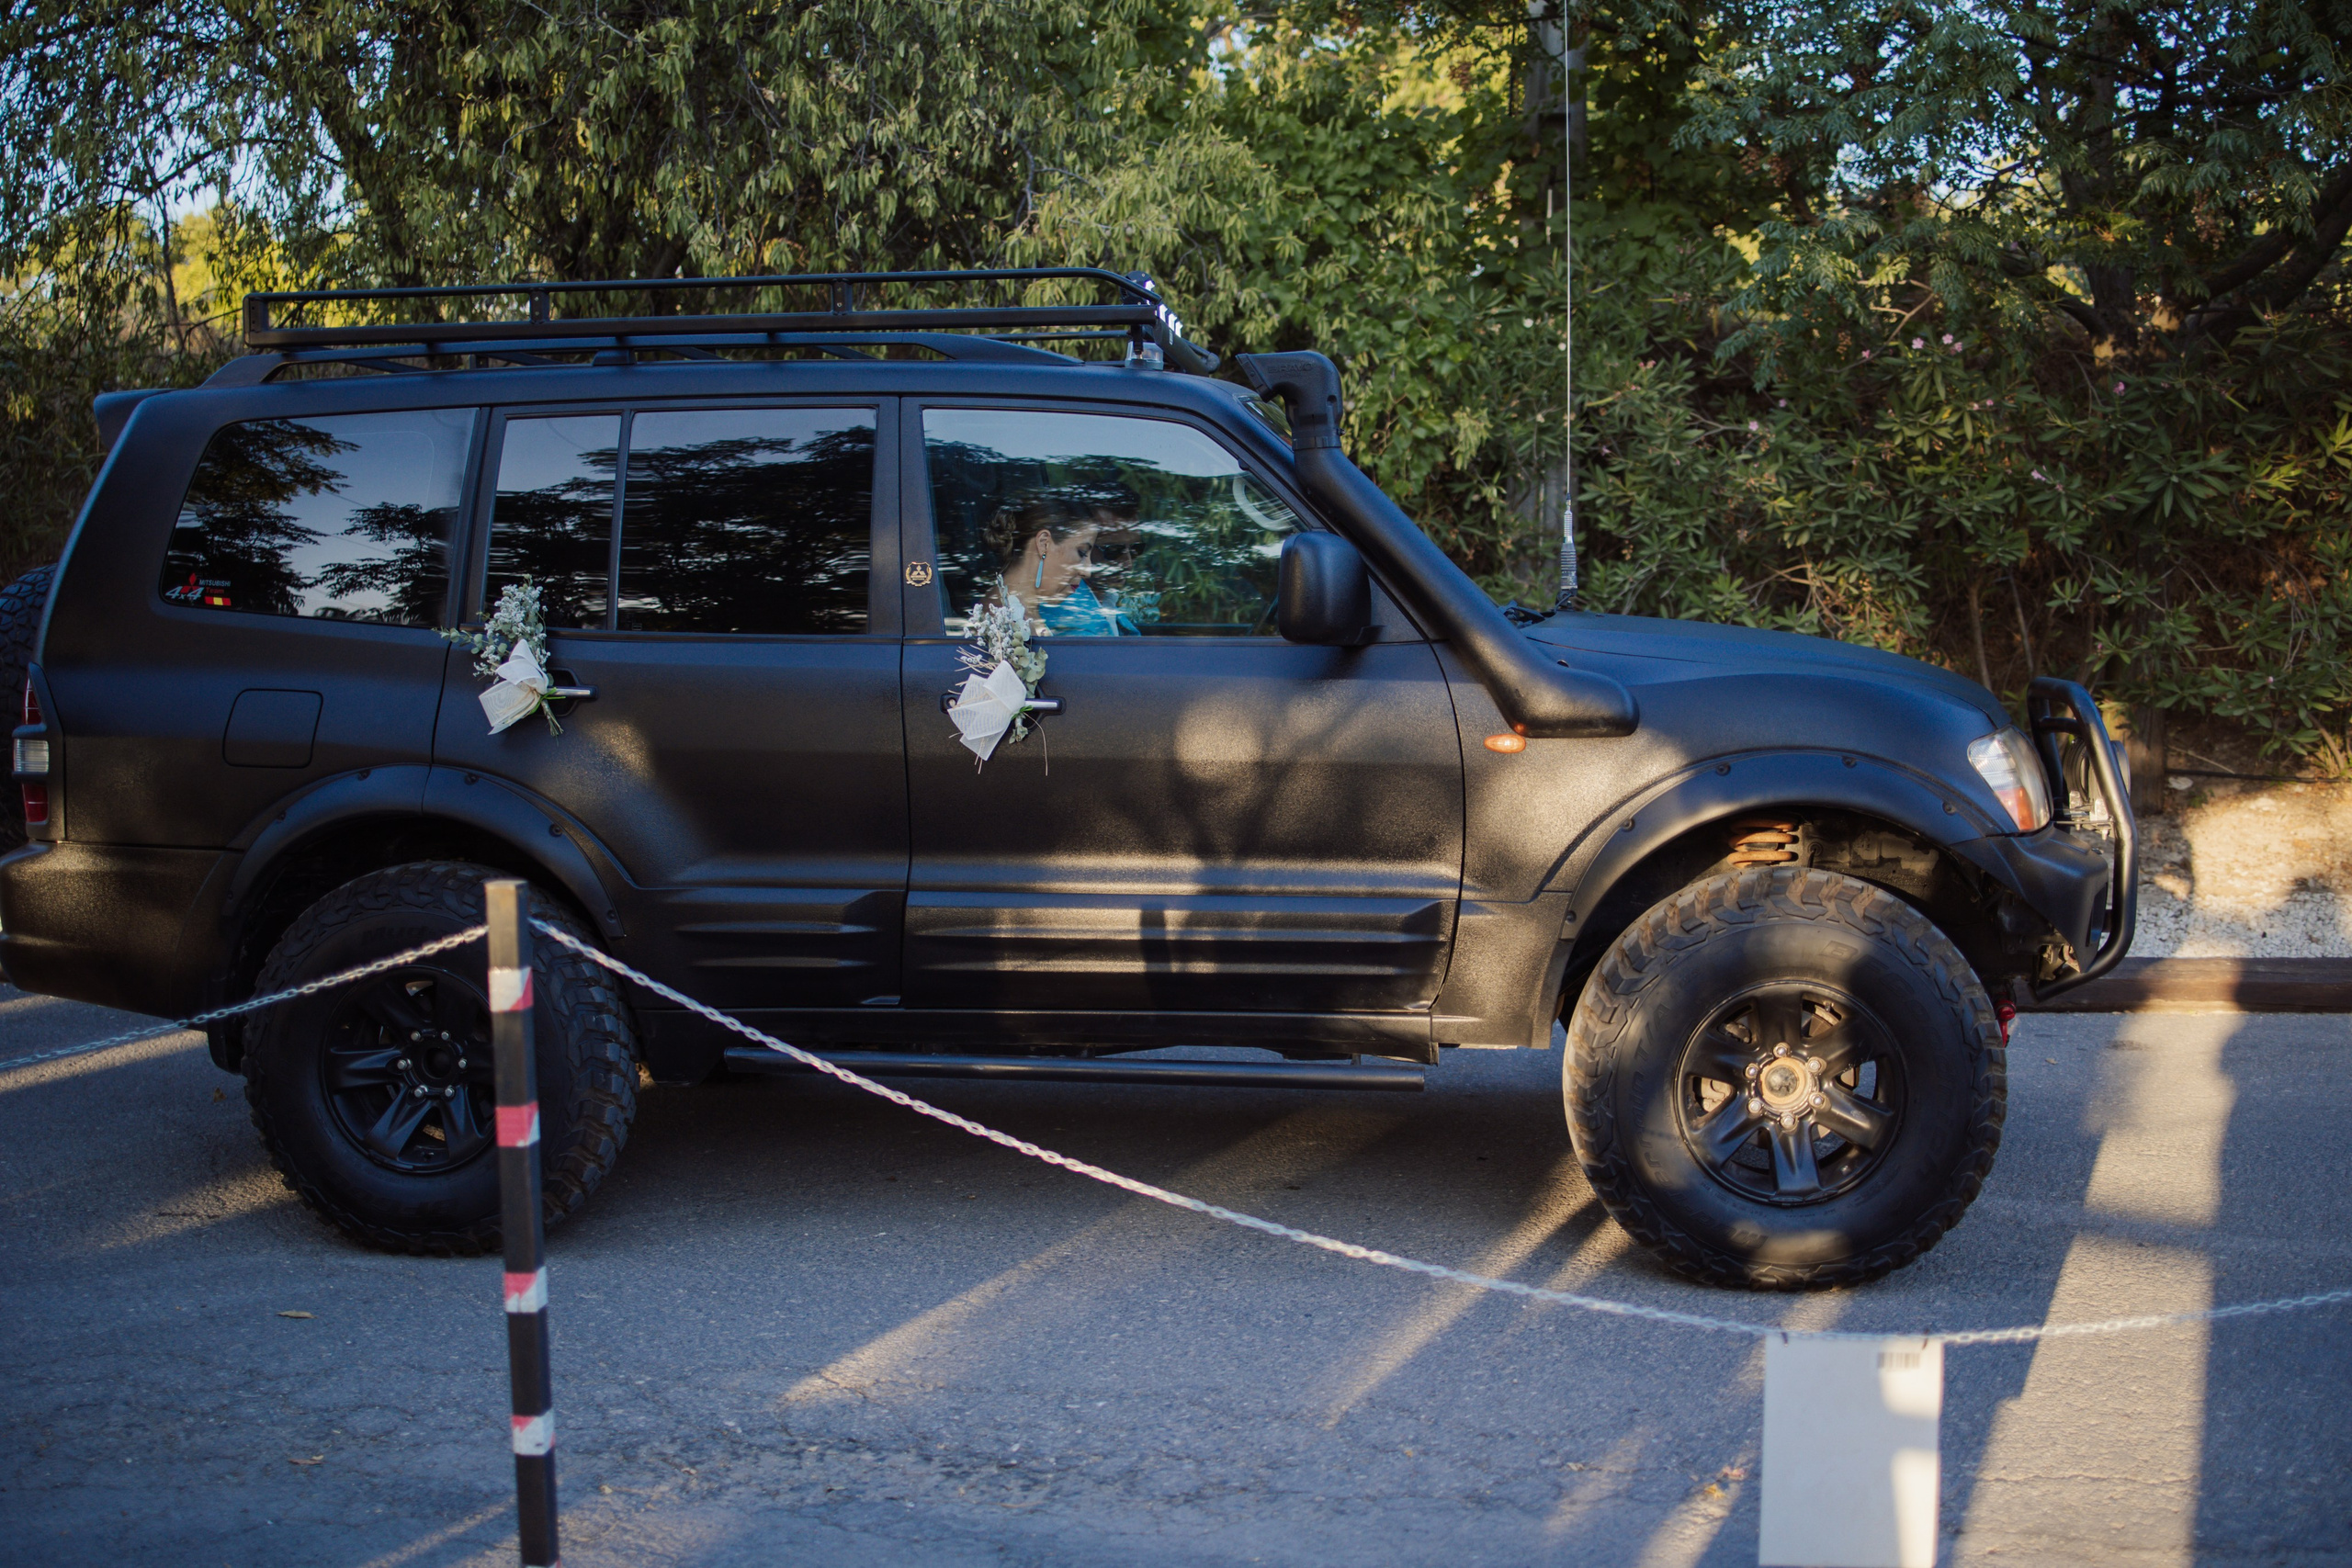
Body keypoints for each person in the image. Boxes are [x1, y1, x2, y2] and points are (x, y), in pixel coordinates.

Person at [983, 489, 1141, 636]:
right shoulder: (1000, 621)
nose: (1087, 571)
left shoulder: (1023, 615)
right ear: (1044, 543)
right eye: (1081, 552)